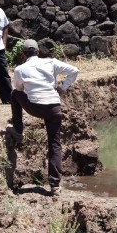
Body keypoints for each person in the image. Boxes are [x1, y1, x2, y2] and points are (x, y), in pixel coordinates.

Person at [7, 39, 78, 196]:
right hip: (54, 108)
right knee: (55, 144)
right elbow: (74, 71)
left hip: (35, 108)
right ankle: (55, 186)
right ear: (38, 51)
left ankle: (18, 130)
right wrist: (62, 88)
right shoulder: (51, 62)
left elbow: (19, 89)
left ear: (23, 54)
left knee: (14, 94)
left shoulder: (19, 69)